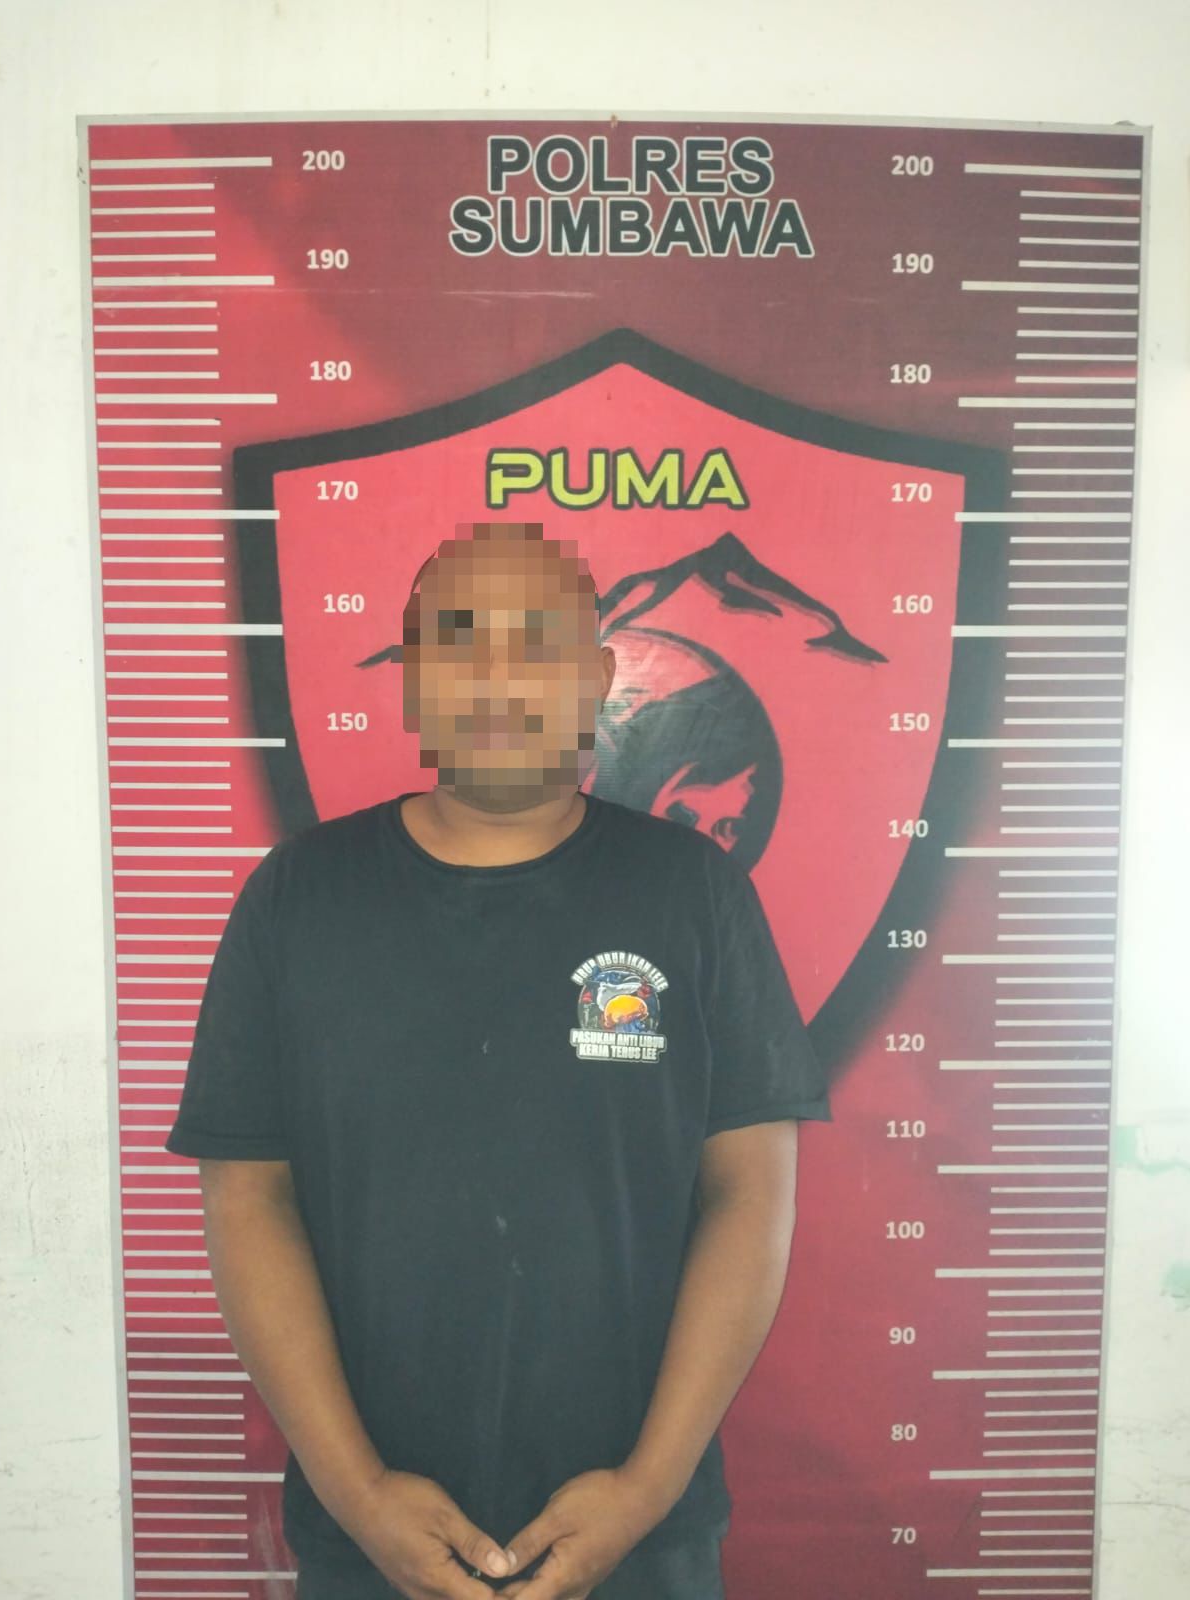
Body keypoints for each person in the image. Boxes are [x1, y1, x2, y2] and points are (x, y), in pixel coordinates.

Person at [165, 521, 833, 1600]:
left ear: (597, 679)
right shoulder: (299, 897)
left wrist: (645, 1488)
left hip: (641, 1533)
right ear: (410, 676)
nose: (498, 675)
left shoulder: (691, 893)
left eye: (538, 643)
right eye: (460, 639)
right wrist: (360, 1492)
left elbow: (751, 1195)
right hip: (371, 1534)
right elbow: (248, 1202)